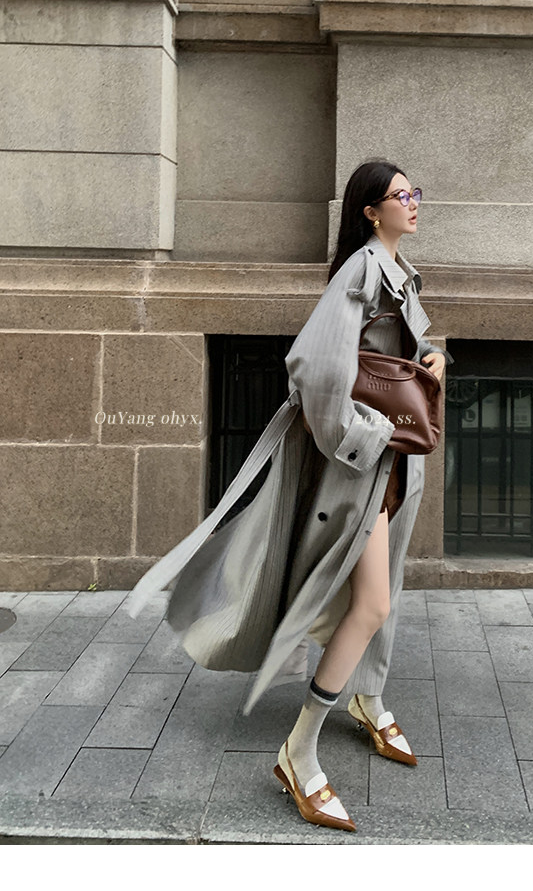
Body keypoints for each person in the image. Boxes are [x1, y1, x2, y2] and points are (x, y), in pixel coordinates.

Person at [124, 158, 453, 833]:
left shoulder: (398, 269)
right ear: (371, 211)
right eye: (400, 196)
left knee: (382, 588)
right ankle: (298, 754)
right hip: (364, 468)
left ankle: (367, 697)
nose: (413, 203)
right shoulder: (361, 270)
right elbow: (312, 368)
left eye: (414, 193)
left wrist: (435, 360)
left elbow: (395, 350)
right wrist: (366, 437)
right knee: (371, 603)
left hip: (392, 466)